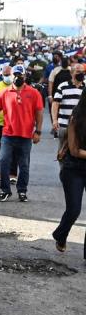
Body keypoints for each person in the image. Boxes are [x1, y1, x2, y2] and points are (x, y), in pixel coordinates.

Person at [0, 65, 44, 202]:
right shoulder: (5, 92)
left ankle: (22, 191)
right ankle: (5, 190)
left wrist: (38, 131)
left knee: (24, 165)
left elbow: (39, 112)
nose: (17, 77)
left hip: (26, 136)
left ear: (25, 76)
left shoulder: (34, 93)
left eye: (20, 75)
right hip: (8, 135)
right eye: (15, 74)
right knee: (3, 161)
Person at [53, 93, 86, 254]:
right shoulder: (77, 118)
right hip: (74, 169)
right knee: (74, 209)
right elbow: (74, 151)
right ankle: (61, 234)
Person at [52, 62, 84, 151]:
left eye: (82, 72)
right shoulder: (63, 86)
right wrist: (55, 120)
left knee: (80, 150)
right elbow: (55, 104)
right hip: (64, 125)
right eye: (78, 72)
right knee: (63, 150)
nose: (81, 74)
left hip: (81, 126)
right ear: (71, 73)